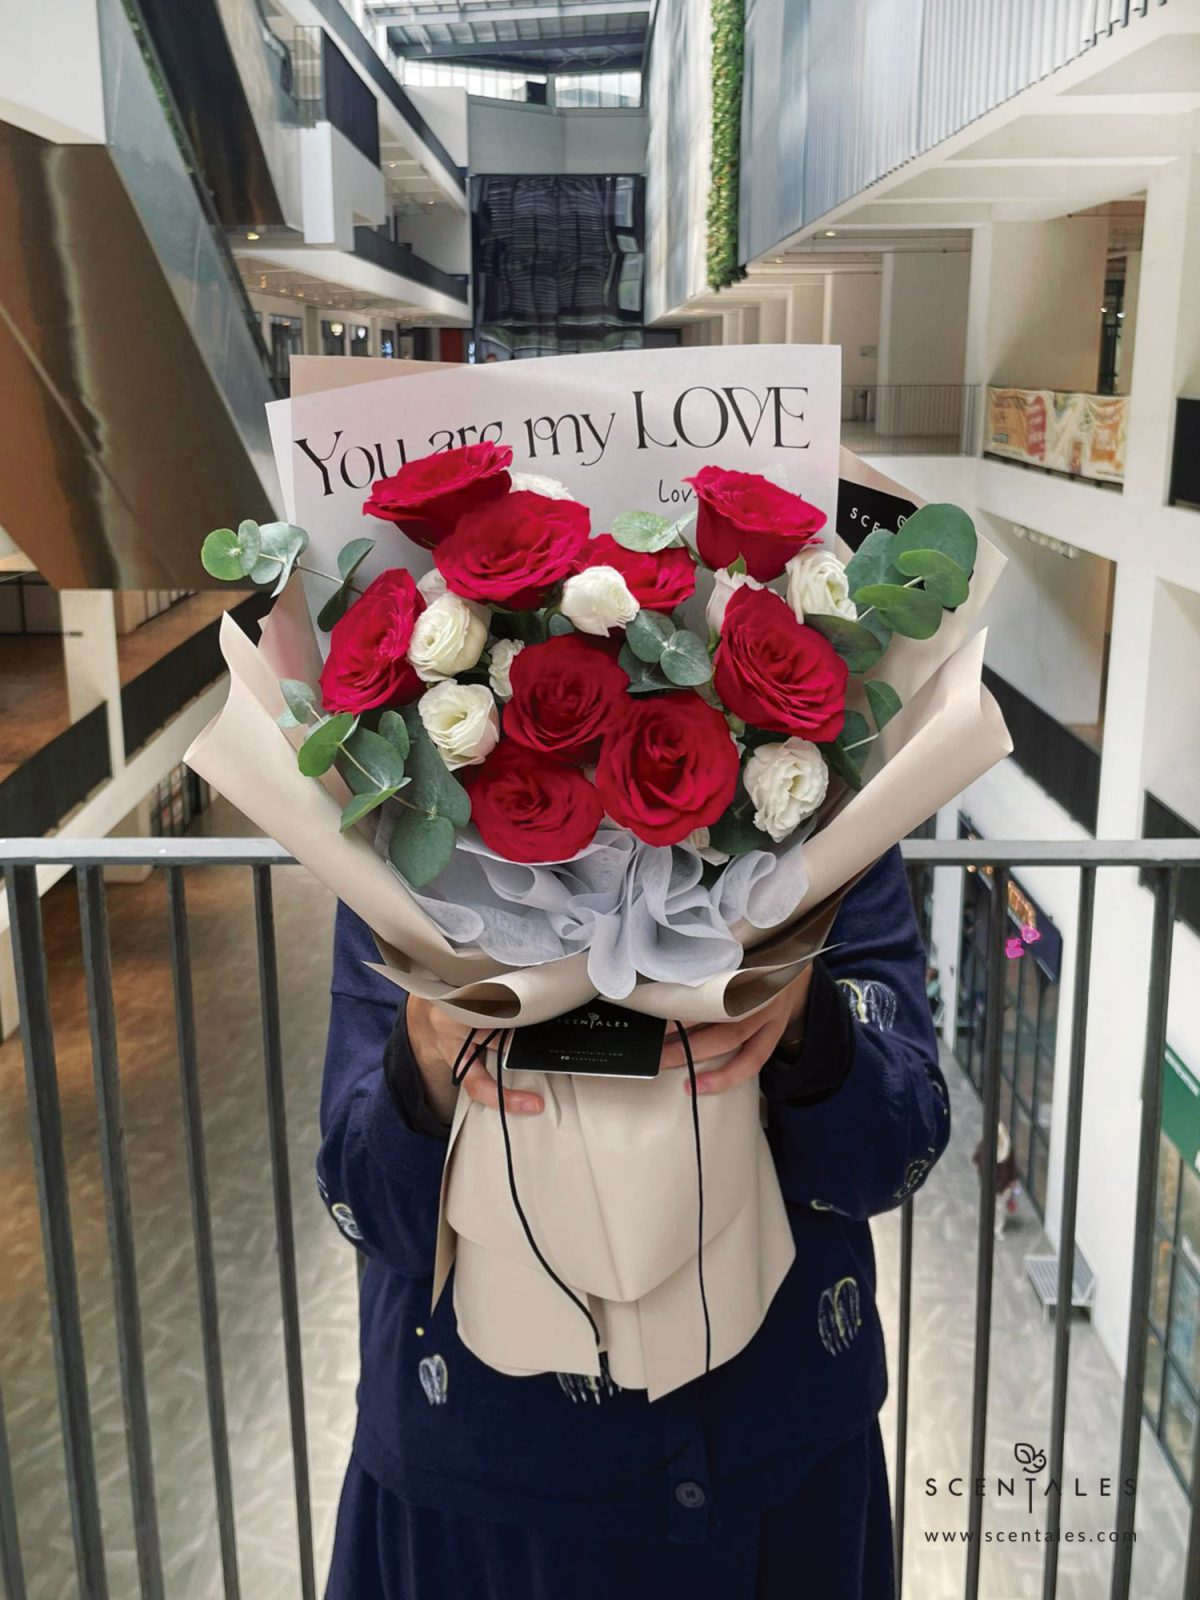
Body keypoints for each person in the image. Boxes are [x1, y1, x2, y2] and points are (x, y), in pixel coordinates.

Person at [318, 845, 948, 1599]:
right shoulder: (404, 834)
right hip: (481, 1491)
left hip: (779, 1465)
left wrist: (808, 1025)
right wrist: (424, 1053)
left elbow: (895, 1149)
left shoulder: (831, 827)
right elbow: (374, 1212)